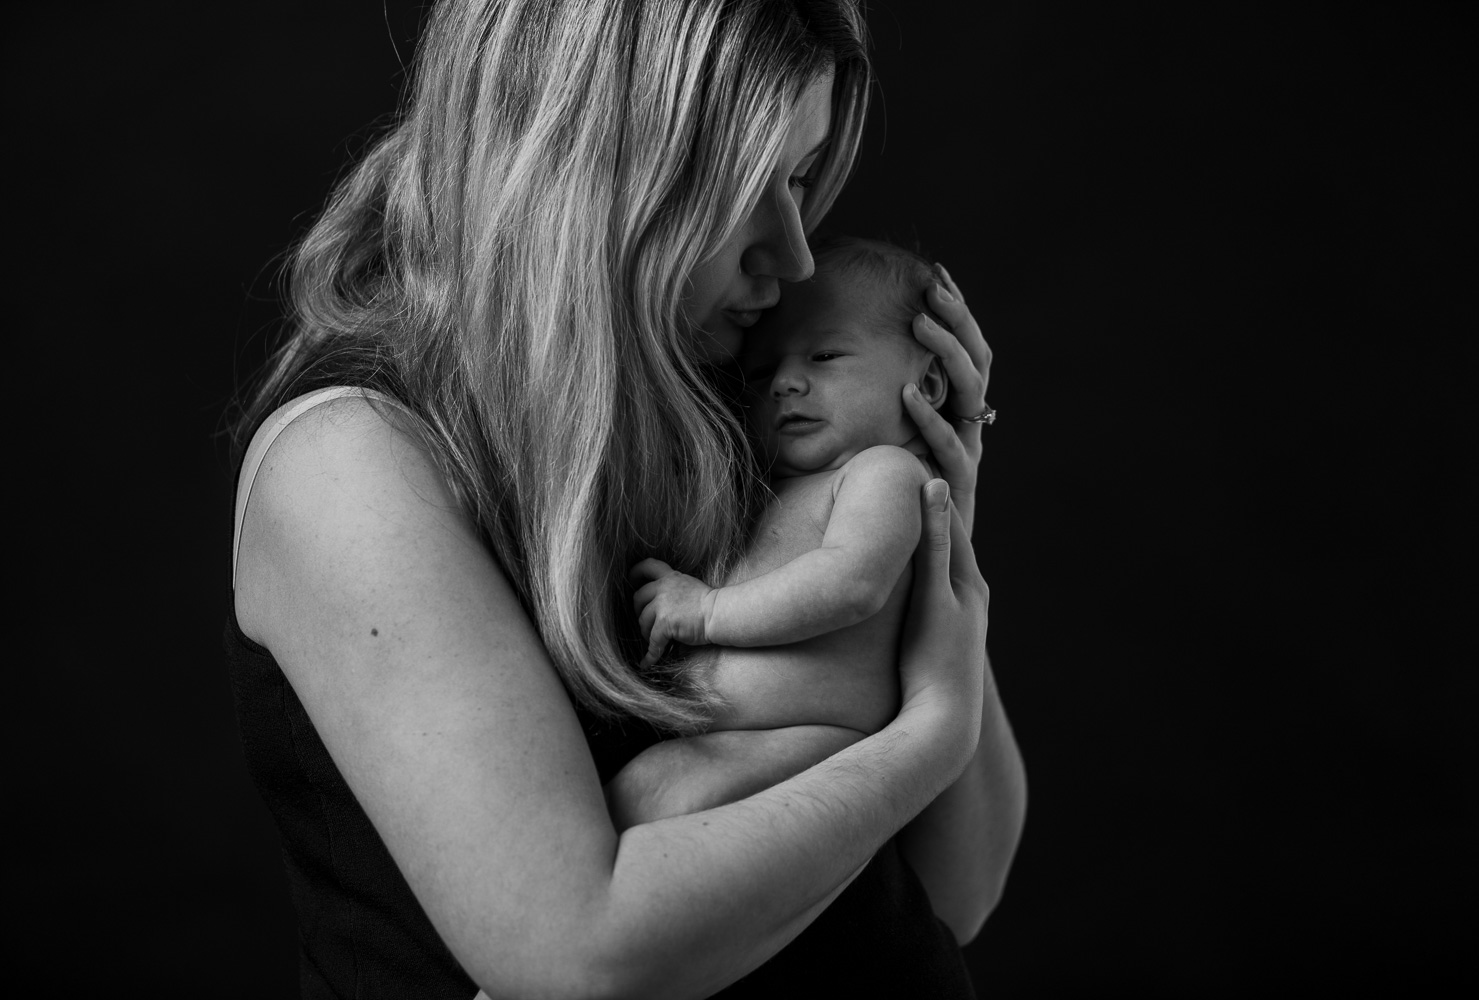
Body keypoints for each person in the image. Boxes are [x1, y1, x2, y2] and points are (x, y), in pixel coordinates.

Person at [227, 1, 1025, 997]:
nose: (794, 255)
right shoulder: (350, 464)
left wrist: (936, 539)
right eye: (746, 189)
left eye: (800, 180)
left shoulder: (745, 405)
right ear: (590, 172)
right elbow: (580, 952)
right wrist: (921, 743)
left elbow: (958, 890)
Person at [613, 237, 962, 828]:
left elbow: (851, 584)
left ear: (927, 385)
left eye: (824, 357)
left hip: (817, 737)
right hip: (723, 738)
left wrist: (705, 612)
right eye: (763, 370)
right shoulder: (768, 486)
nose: (784, 384)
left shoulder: (883, 473)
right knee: (633, 801)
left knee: (667, 810)